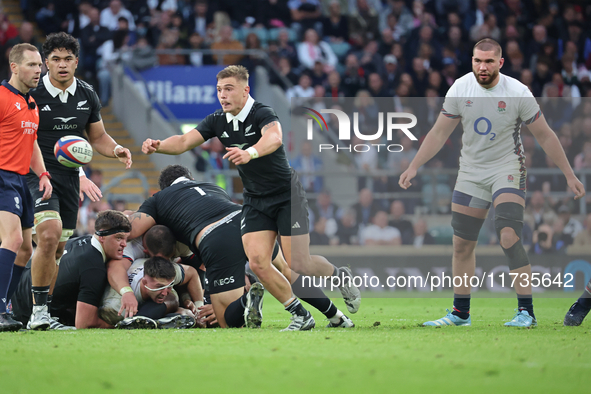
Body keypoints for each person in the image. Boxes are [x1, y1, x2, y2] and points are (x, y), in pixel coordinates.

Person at [142, 65, 361, 330]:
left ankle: (340, 276)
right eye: (219, 90)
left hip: (285, 195)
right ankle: (300, 316)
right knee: (258, 263)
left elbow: (275, 137)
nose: (222, 95)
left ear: (246, 91)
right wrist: (159, 146)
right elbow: (184, 141)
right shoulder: (217, 120)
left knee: (298, 263)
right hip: (255, 200)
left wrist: (251, 153)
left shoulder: (262, 113)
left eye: (229, 89)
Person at [399, 38, 586, 328]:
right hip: (471, 172)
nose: (482, 67)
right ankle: (460, 314)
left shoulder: (517, 92)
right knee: (462, 244)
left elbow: (545, 135)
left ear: (500, 62)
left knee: (508, 234)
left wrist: (569, 174)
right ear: (471, 61)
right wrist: (414, 166)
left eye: (488, 61)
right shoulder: (460, 88)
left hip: (507, 168)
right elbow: (438, 133)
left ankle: (527, 312)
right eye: (477, 61)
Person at [123, 165, 355, 330]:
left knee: (223, 318)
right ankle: (336, 316)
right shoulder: (212, 186)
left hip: (216, 236)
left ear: (164, 187)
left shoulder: (160, 198)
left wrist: (128, 215)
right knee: (286, 269)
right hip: (247, 220)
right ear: (190, 178)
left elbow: (134, 229)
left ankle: (248, 302)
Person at [24, 32, 133, 331]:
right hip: (35, 176)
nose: (62, 65)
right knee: (48, 235)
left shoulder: (87, 94)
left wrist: (116, 150)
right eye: (56, 59)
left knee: (57, 250)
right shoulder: (31, 94)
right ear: (46, 63)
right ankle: (36, 312)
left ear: (76, 61)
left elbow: (97, 137)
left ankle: (44, 313)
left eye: (68, 59)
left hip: (69, 179)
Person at [0, 44, 52, 332]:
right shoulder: (2, 97)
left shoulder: (31, 105)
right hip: (2, 176)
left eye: (39, 66)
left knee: (24, 251)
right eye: (32, 65)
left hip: (21, 180)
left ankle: (4, 307)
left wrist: (42, 173)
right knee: (13, 241)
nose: (39, 71)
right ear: (15, 67)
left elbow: (30, 143)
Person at [11, 210, 131, 329]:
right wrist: (117, 324)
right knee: (70, 320)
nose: (124, 244)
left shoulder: (81, 241)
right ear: (102, 236)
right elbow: (84, 323)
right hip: (27, 313)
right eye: (119, 238)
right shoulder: (94, 267)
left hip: (16, 294)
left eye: (126, 239)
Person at [100, 224, 203, 329]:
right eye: (160, 286)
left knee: (173, 298)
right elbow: (113, 268)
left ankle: (151, 319)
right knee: (183, 312)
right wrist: (126, 292)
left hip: (149, 293)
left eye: (169, 286)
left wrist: (199, 311)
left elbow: (192, 273)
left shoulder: (165, 269)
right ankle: (145, 318)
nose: (164, 292)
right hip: (123, 297)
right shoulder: (115, 305)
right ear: (144, 282)